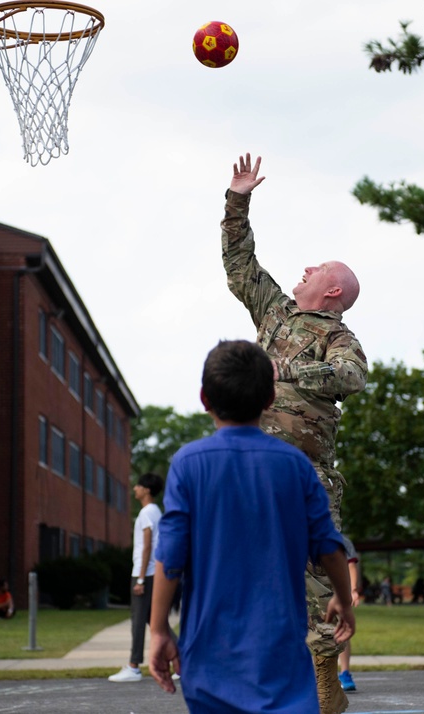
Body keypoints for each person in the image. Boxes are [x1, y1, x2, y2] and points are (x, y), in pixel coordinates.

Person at [221, 152, 368, 713]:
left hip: (307, 475)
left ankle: (325, 675)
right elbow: (240, 264)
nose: (304, 269)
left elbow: (353, 377)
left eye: (317, 269)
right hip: (252, 465)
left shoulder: (340, 336)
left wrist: (290, 371)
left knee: (317, 576)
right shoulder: (275, 314)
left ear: (332, 292)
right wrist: (238, 199)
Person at [149, 339, 355, 714]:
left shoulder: (188, 464)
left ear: (204, 398)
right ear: (270, 398)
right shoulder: (296, 466)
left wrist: (159, 628)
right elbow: (328, 545)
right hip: (281, 656)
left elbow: (171, 556)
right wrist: (343, 596)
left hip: (209, 655)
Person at [109, 472, 165, 683]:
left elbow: (147, 545)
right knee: (156, 622)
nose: (135, 489)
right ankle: (181, 663)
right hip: (151, 573)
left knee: (138, 621)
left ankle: (133, 666)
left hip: (145, 574)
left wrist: (140, 579)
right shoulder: (154, 511)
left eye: (138, 486)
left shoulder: (147, 513)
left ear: (147, 490)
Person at [337, 536, 361, 693]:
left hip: (336, 590)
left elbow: (351, 564)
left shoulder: (341, 540)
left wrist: (352, 590)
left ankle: (345, 673)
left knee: (342, 629)